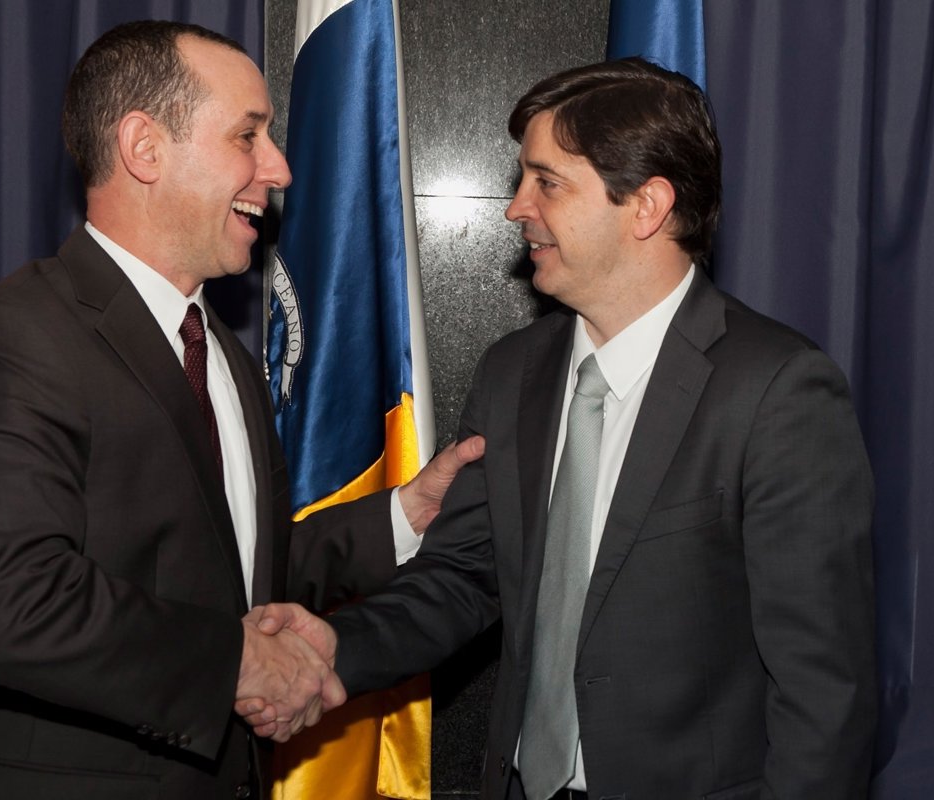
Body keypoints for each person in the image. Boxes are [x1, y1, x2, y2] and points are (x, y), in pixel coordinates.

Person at [252, 57, 877, 799]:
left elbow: (823, 693)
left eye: (546, 182)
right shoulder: (513, 370)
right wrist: (336, 646)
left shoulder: (777, 391)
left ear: (646, 206)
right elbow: (463, 578)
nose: (515, 208)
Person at [0, 20, 480, 800]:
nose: (279, 167)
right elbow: (13, 603)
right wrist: (239, 662)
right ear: (145, 148)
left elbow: (229, 570)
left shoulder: (223, 354)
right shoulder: (13, 338)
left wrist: (404, 515)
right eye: (248, 135)